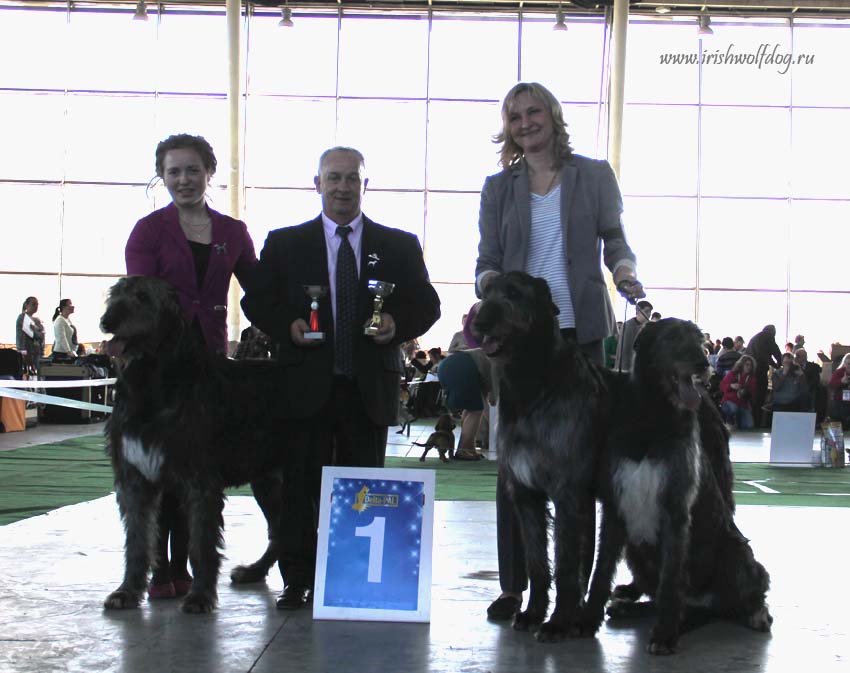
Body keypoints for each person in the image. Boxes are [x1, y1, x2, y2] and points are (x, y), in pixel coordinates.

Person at [241, 146, 440, 610]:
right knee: (299, 488)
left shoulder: (399, 245)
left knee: (364, 485)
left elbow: (427, 304)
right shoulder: (285, 242)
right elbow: (256, 301)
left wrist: (395, 324)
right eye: (333, 178)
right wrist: (288, 324)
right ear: (317, 183)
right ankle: (298, 580)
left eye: (352, 178)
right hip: (304, 385)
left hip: (368, 386)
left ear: (365, 184)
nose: (343, 187)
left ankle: (354, 582)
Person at [474, 81, 644, 621]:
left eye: (534, 112)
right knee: (516, 470)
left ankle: (573, 595)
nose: (525, 122)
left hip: (579, 334)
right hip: (521, 344)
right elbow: (487, 257)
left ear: (553, 115)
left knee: (579, 476)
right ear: (509, 127)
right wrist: (489, 288)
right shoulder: (498, 187)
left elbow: (614, 238)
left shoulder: (593, 176)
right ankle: (514, 586)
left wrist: (625, 273)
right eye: (515, 116)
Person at [125, 133, 257, 600]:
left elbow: (258, 293)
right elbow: (139, 296)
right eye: (174, 171)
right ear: (162, 176)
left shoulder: (232, 232)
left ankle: (190, 566)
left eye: (193, 170)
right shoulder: (148, 231)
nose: (184, 179)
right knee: (157, 469)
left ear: (209, 174)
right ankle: (160, 569)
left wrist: (297, 321)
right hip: (157, 370)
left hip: (209, 366)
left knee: (196, 469)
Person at [745, 324, 783, 427]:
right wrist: (779, 364)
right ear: (773, 332)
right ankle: (758, 422)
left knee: (751, 396)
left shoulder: (755, 337)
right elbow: (775, 352)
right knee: (760, 396)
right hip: (760, 371)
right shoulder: (768, 336)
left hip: (749, 371)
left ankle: (751, 421)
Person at [719, 354, 758, 430]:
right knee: (733, 408)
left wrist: (745, 391)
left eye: (751, 365)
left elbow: (752, 393)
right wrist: (731, 386)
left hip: (743, 404)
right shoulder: (732, 374)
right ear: (742, 364)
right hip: (729, 401)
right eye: (747, 365)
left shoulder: (752, 378)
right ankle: (729, 420)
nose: (749, 367)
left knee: (749, 425)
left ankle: (738, 421)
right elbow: (722, 386)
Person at [614, 299, 653, 372]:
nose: (649, 314)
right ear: (638, 311)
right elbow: (624, 351)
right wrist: (624, 371)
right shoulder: (628, 326)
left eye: (650, 312)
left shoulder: (646, 327)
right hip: (625, 368)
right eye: (646, 311)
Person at [15, 297, 45, 375]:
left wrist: (36, 330)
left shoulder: (37, 320)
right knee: (27, 374)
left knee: (37, 374)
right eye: (33, 304)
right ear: (27, 305)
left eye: (37, 304)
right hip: (25, 351)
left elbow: (42, 335)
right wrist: (37, 331)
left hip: (37, 351)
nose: (36, 306)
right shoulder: (22, 317)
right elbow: (32, 334)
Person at [827, 353, 850, 429]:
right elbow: (831, 384)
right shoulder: (839, 372)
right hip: (840, 403)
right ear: (844, 364)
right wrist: (841, 381)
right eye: (848, 364)